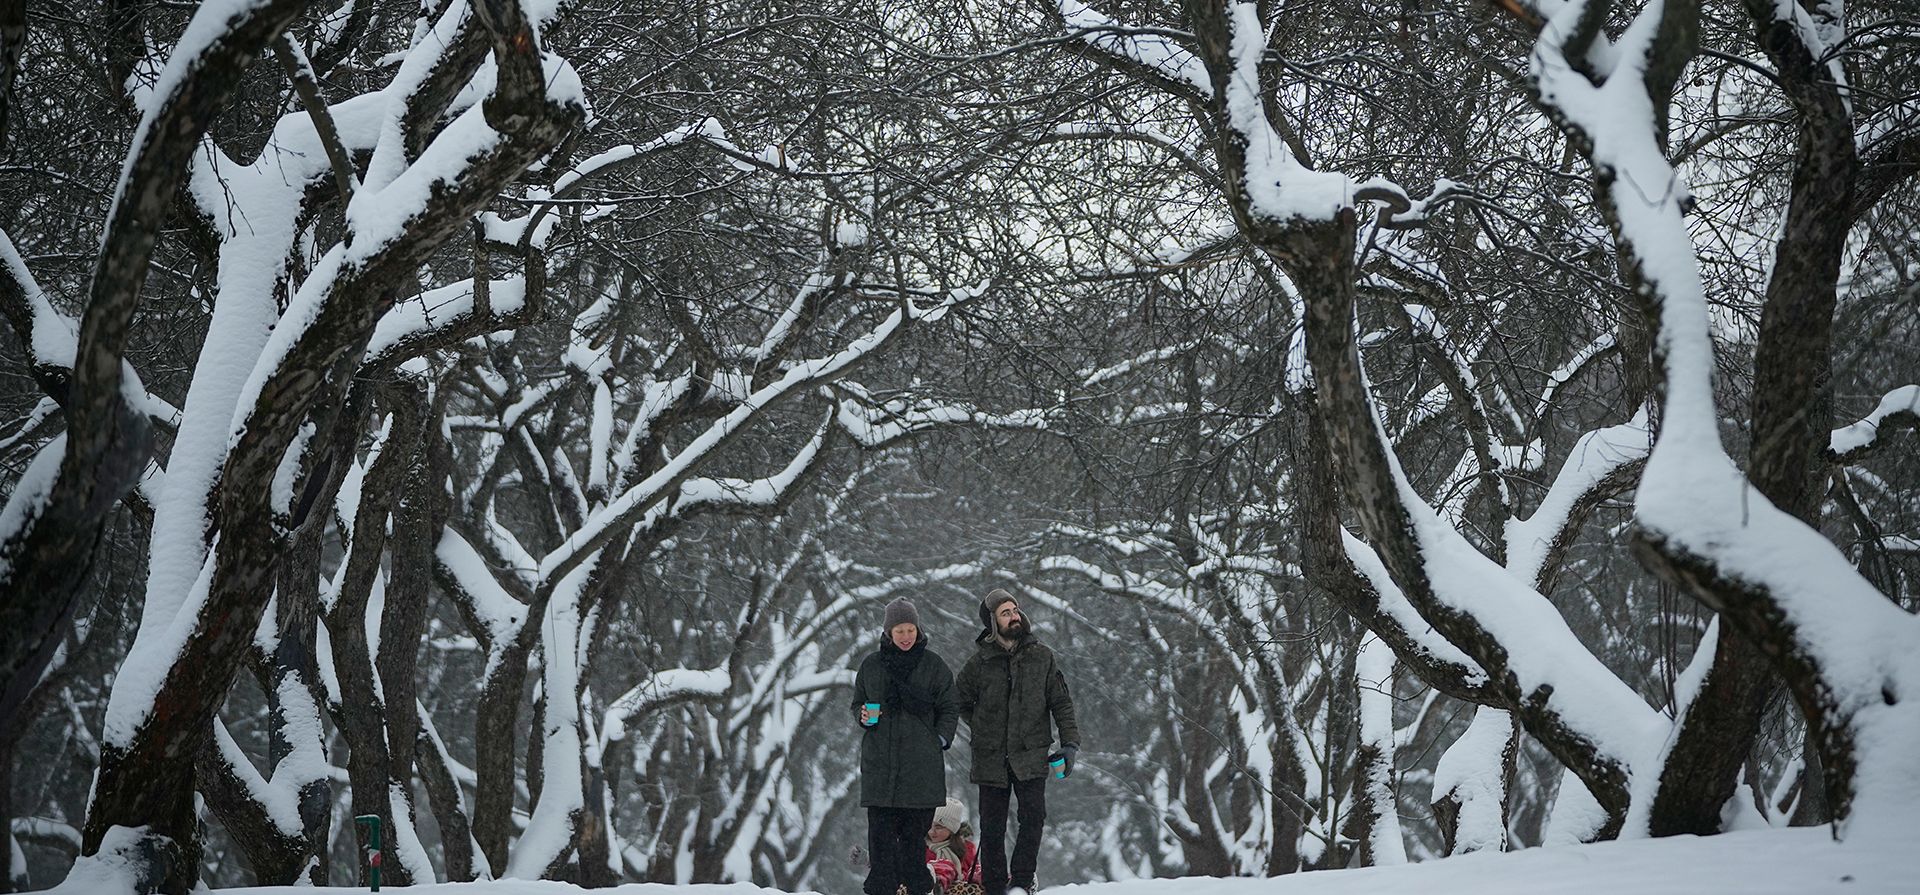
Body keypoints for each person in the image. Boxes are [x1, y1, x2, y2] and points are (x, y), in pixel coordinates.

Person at [955, 589, 1081, 895]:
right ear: (993, 622)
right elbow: (958, 700)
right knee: (992, 827)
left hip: (1031, 753)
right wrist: (982, 726)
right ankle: (996, 887)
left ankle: (1022, 884)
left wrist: (1070, 743)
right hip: (991, 757)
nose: (1013, 616)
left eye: (1014, 610)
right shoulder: (979, 663)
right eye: (1005, 613)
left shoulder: (1042, 656)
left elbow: (1061, 703)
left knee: (1033, 818)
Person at [853, 598, 959, 895]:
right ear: (888, 632)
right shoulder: (871, 666)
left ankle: (918, 890)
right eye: (899, 630)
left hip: (921, 772)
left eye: (910, 629)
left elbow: (950, 706)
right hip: (880, 772)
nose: (905, 636)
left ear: (917, 629)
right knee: (881, 849)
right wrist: (862, 715)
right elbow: (857, 703)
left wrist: (938, 739)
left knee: (914, 848)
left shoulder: (933, 665)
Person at [925, 797, 981, 895]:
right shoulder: (920, 847)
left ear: (952, 829)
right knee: (943, 866)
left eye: (939, 827)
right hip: (924, 884)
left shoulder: (967, 848)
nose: (931, 831)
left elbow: (973, 869)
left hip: (959, 890)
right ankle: (935, 884)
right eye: (929, 825)